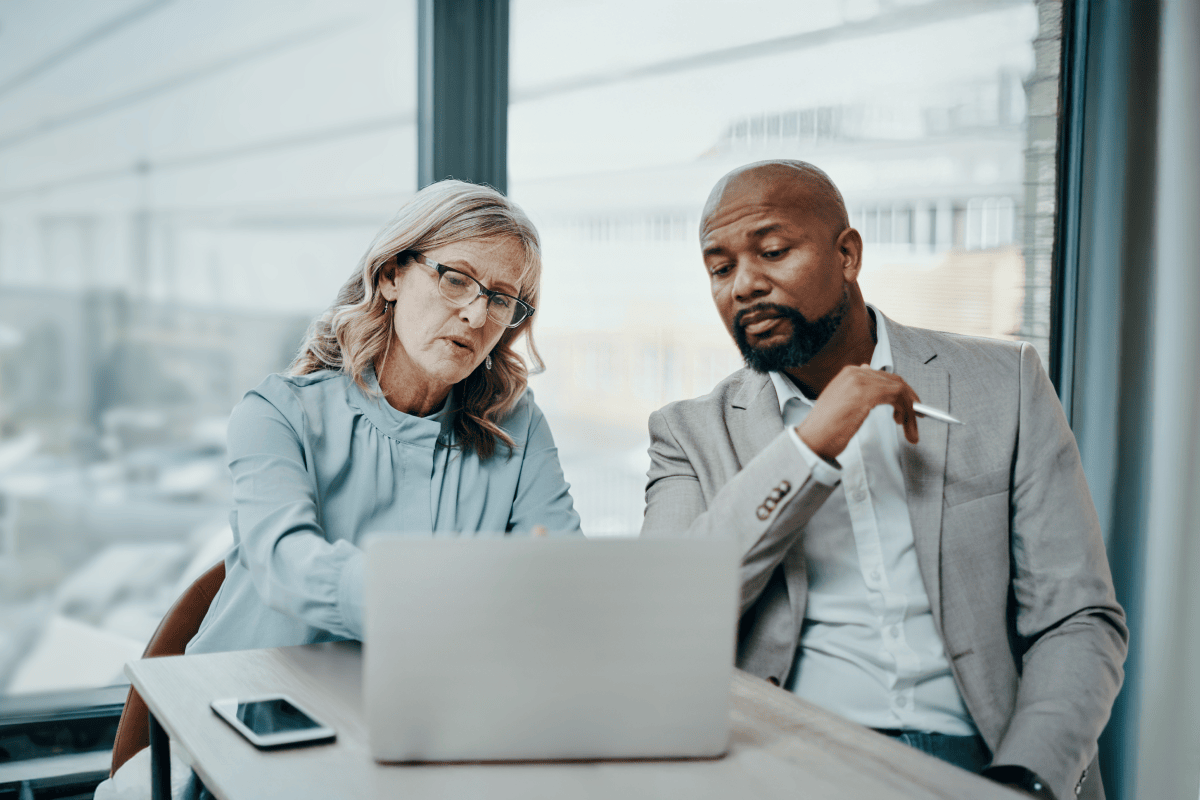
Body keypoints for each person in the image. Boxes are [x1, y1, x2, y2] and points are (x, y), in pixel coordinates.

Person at [640, 160, 1126, 800]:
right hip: (794, 763)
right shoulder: (688, 434)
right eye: (720, 268)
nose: (744, 286)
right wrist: (811, 445)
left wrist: (1025, 779)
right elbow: (664, 620)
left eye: (774, 251)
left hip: (990, 759)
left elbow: (1079, 618)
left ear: (847, 255)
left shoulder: (1004, 383)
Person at [184, 180, 581, 655]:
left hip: (414, 711)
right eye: (456, 279)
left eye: (500, 299)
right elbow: (286, 564)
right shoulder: (277, 414)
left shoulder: (517, 425)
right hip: (248, 703)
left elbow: (560, 581)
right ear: (392, 274)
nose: (476, 316)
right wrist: (442, 600)